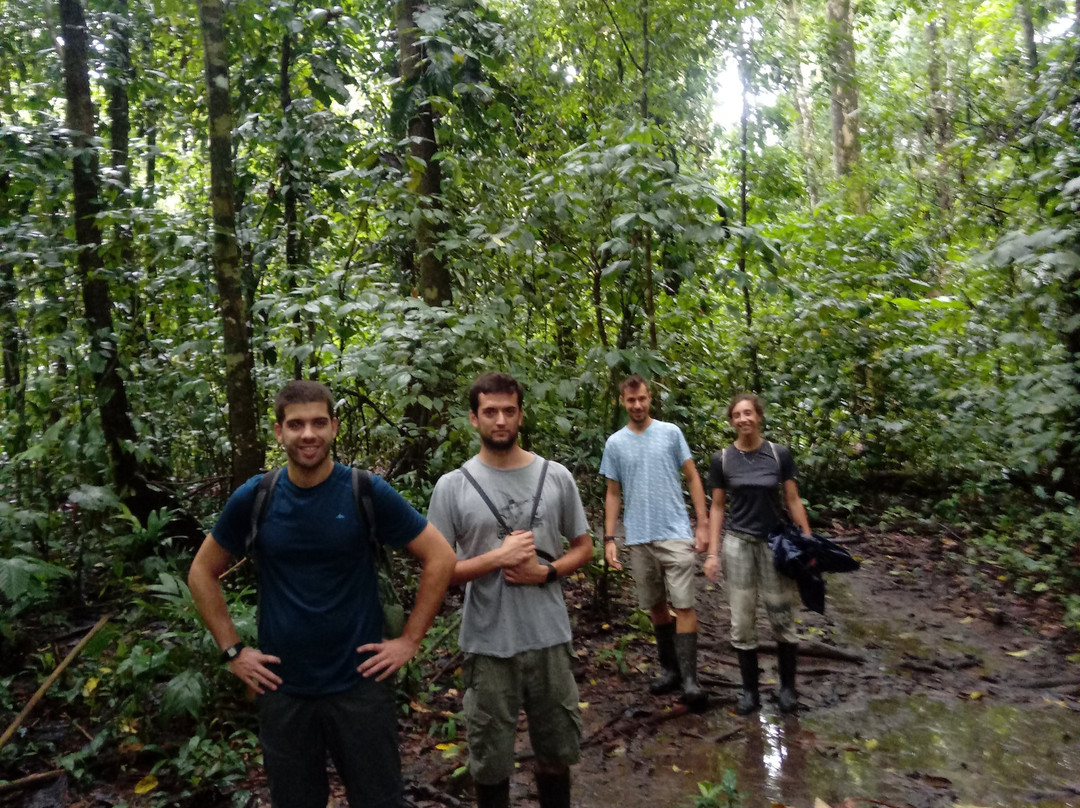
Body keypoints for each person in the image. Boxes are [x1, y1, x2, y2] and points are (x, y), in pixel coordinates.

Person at [188, 380, 457, 808]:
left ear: (334, 427)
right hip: (283, 688)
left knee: (379, 800)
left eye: (318, 423)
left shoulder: (364, 491)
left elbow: (440, 557)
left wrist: (409, 641)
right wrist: (233, 651)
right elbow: (202, 572)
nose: (307, 434)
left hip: (361, 684)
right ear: (279, 432)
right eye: (296, 425)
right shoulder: (256, 497)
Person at [427, 372, 593, 808]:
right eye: (490, 412)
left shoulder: (556, 477)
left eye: (509, 411)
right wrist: (494, 559)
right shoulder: (452, 486)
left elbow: (583, 548)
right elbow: (438, 573)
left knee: (557, 752)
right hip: (488, 644)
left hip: (550, 639)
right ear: (473, 418)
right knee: (490, 760)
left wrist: (548, 572)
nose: (500, 420)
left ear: (521, 415)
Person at [600, 375, 710, 710]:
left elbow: (692, 475)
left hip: (674, 531)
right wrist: (609, 538)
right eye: (631, 401)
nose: (637, 405)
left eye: (642, 399)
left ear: (650, 399)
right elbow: (613, 492)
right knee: (656, 605)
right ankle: (670, 670)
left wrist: (702, 524)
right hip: (638, 535)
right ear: (623, 401)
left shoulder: (670, 433)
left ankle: (691, 680)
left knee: (684, 604)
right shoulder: (615, 444)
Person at [704, 392, 811, 715]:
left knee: (782, 616)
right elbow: (718, 507)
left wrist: (806, 538)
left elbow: (792, 499)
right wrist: (712, 552)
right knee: (741, 619)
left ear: (759, 416)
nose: (743, 419)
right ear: (731, 421)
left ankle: (788, 689)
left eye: (748, 413)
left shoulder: (778, 455)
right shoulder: (722, 459)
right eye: (737, 415)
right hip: (738, 544)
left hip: (774, 543)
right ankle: (749, 691)